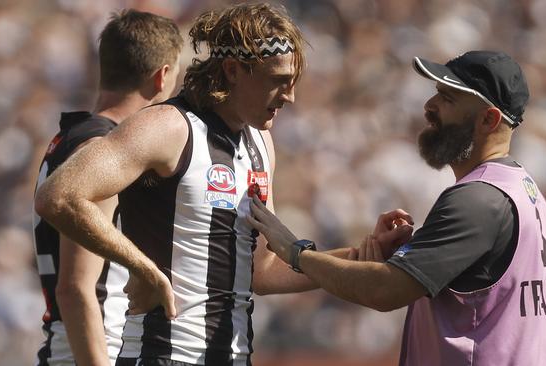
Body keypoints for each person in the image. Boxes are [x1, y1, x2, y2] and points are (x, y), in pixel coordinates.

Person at [35, 3, 402, 365]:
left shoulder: (260, 142)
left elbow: (263, 270)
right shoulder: (168, 127)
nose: (289, 96)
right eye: (277, 81)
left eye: (292, 83)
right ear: (232, 70)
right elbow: (59, 195)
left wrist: (359, 257)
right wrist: (144, 269)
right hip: (163, 355)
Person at [249, 50, 546, 365]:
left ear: (488, 119)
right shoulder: (522, 189)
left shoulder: (479, 199)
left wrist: (295, 252)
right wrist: (397, 257)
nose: (429, 106)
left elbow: (383, 291)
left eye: (448, 99)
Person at [32, 9, 182, 366]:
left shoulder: (71, 137)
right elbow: (76, 287)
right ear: (161, 77)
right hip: (90, 352)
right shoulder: (100, 150)